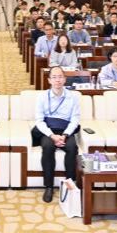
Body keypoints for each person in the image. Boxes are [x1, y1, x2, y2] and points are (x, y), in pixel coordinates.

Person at [34, 67, 81, 202]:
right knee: (48, 147)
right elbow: (39, 121)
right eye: (54, 77)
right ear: (49, 80)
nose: (57, 80)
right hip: (49, 131)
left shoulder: (73, 97)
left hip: (66, 130)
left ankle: (70, 184)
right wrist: (52, 136)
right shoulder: (42, 96)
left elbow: (75, 119)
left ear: (65, 79)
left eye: (60, 77)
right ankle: (49, 186)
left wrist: (65, 135)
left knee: (72, 148)